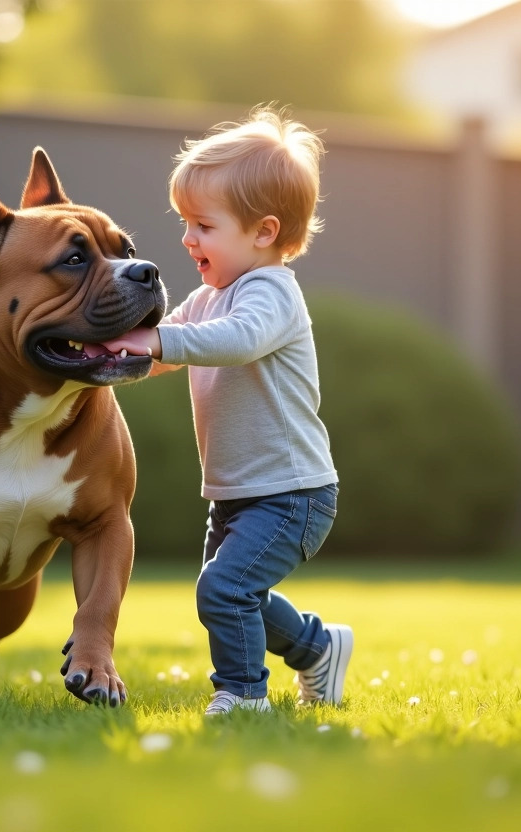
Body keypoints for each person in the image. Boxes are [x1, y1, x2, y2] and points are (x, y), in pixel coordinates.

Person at [103, 105, 351, 715]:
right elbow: (163, 346)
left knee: (224, 588)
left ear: (263, 232)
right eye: (185, 222)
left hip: (293, 493)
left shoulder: (271, 293)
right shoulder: (210, 296)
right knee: (239, 592)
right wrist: (108, 357)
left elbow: (234, 340)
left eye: (204, 226)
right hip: (238, 491)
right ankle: (318, 648)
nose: (188, 238)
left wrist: (159, 342)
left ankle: (242, 697)